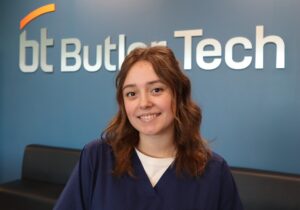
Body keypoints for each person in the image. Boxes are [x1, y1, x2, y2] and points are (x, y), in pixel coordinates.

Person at [54, 46, 243, 210]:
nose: (144, 103)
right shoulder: (97, 157)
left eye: (156, 90)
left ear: (178, 95)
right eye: (131, 93)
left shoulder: (214, 172)